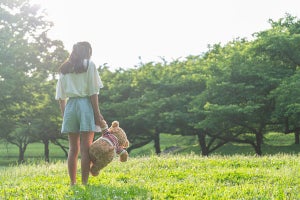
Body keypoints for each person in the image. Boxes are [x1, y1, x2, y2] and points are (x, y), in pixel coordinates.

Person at [55, 41, 107, 185]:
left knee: (73, 148)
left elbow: (61, 96)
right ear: (88, 51)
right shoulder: (89, 65)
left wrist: (65, 115)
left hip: (70, 106)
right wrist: (97, 114)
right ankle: (84, 182)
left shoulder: (64, 68)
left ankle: (73, 183)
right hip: (85, 106)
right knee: (86, 149)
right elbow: (93, 92)